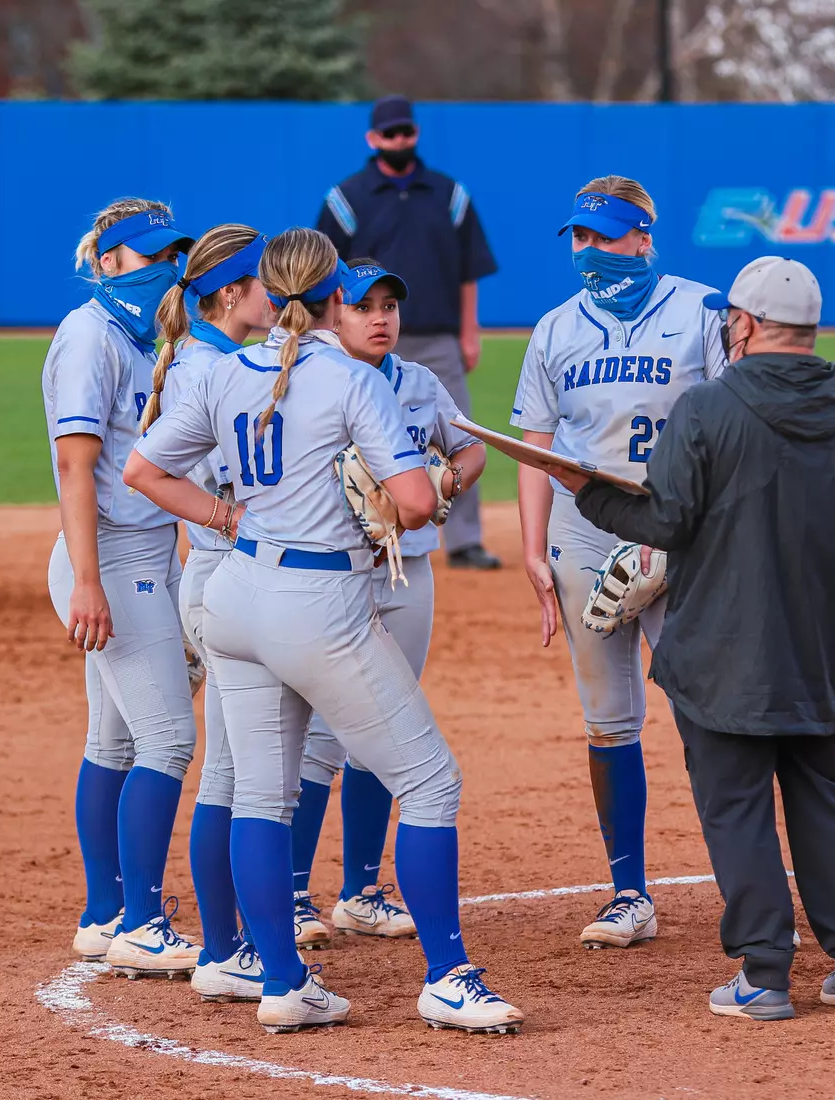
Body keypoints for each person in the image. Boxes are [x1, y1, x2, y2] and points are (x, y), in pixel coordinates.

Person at [123, 227, 522, 1035]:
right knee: (430, 782)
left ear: (273, 294)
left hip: (236, 595)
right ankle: (447, 976)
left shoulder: (225, 370)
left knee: (260, 798)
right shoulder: (352, 380)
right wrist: (434, 486)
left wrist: (226, 516)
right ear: (335, 299)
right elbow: (412, 504)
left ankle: (281, 981)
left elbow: (143, 470)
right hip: (319, 602)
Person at [539, 256, 835, 1020]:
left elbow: (664, 523)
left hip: (722, 649)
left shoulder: (707, 409)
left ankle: (765, 974)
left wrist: (591, 494)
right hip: (820, 646)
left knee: (737, 807)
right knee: (823, 796)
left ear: (741, 324)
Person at [510, 175, 726, 950]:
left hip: (679, 532)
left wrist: (692, 534)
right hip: (586, 535)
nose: (588, 250)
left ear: (643, 237)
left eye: (604, 235)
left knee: (710, 711)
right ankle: (628, 893)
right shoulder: (554, 330)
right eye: (578, 236)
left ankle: (742, 885)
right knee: (608, 721)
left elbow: (734, 428)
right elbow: (535, 447)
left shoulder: (703, 310)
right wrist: (533, 549)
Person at [288, 258, 488, 949]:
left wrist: (445, 484)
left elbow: (470, 451)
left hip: (407, 578)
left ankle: (362, 891)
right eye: (364, 306)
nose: (380, 318)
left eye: (390, 307)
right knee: (317, 739)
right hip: (332, 578)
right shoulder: (310, 382)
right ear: (333, 312)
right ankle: (289, 893)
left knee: (382, 731)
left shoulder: (418, 382)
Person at [41, 198, 203, 979]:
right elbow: (76, 464)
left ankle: (103, 912)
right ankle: (142, 919)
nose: (166, 267)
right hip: (109, 558)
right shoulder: (90, 336)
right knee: (169, 739)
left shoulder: (150, 337)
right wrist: (87, 579)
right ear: (106, 263)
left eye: (172, 253)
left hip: (142, 555)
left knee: (114, 739)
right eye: (147, 255)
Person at [139, 222, 274, 1002]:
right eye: (264, 286)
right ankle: (227, 949)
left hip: (226, 579)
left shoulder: (209, 359)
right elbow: (149, 473)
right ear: (234, 294)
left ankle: (239, 941)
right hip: (224, 579)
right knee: (229, 775)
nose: (278, 299)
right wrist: (230, 521)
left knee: (238, 770)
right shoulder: (208, 371)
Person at [316, 94, 501, 570]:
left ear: (415, 134)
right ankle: (344, 530)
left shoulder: (448, 193)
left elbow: (468, 270)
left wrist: (470, 331)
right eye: (390, 133)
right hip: (355, 341)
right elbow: (324, 275)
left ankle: (463, 540)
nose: (400, 139)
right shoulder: (347, 197)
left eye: (407, 131)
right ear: (373, 139)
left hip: (437, 335)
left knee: (455, 430)